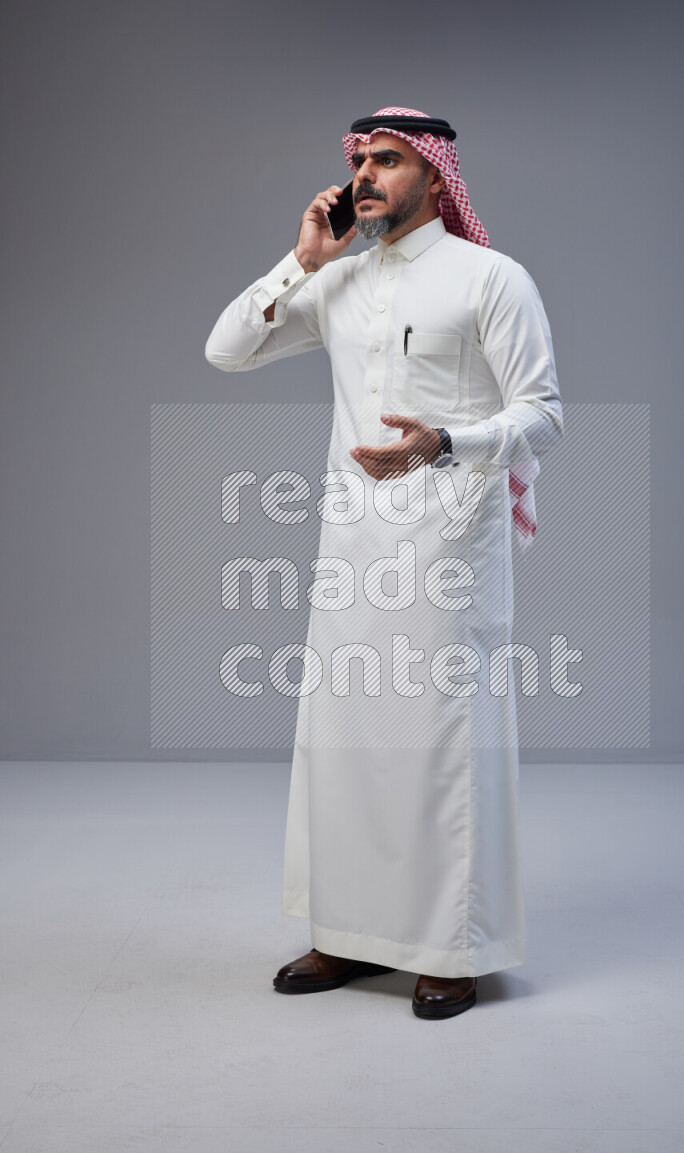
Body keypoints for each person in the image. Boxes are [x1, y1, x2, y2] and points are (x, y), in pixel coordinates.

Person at [205, 107, 564, 1019]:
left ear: (436, 178)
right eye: (360, 160)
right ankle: (347, 936)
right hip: (351, 546)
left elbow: (544, 414)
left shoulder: (492, 277)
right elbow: (227, 350)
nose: (366, 175)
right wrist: (303, 262)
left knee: (443, 744)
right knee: (346, 740)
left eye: (390, 160)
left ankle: (453, 946)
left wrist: (446, 441)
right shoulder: (339, 282)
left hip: (450, 544)